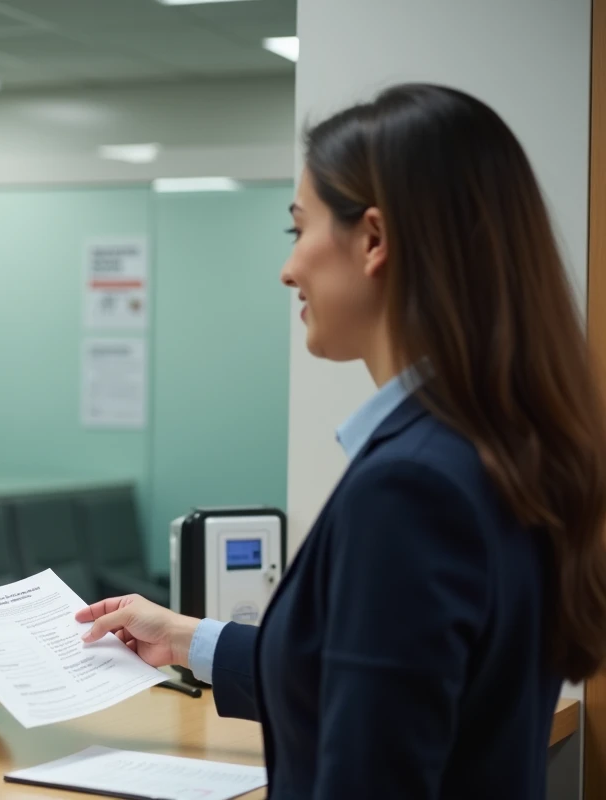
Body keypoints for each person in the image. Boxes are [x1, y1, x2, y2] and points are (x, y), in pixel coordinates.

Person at [77, 83, 606, 799]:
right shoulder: (502, 447)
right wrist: (187, 639)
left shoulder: (412, 487)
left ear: (375, 239)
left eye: (299, 229)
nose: (288, 268)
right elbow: (366, 676)